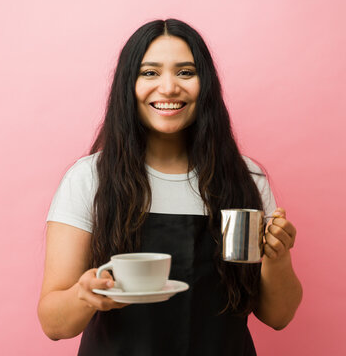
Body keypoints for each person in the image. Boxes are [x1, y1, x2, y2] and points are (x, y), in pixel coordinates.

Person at [37, 19, 302, 356]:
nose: (168, 87)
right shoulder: (89, 177)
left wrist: (277, 259)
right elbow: (54, 324)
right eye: (149, 73)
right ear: (127, 85)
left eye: (185, 72)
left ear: (205, 84)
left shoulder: (244, 178)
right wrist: (84, 296)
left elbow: (278, 316)